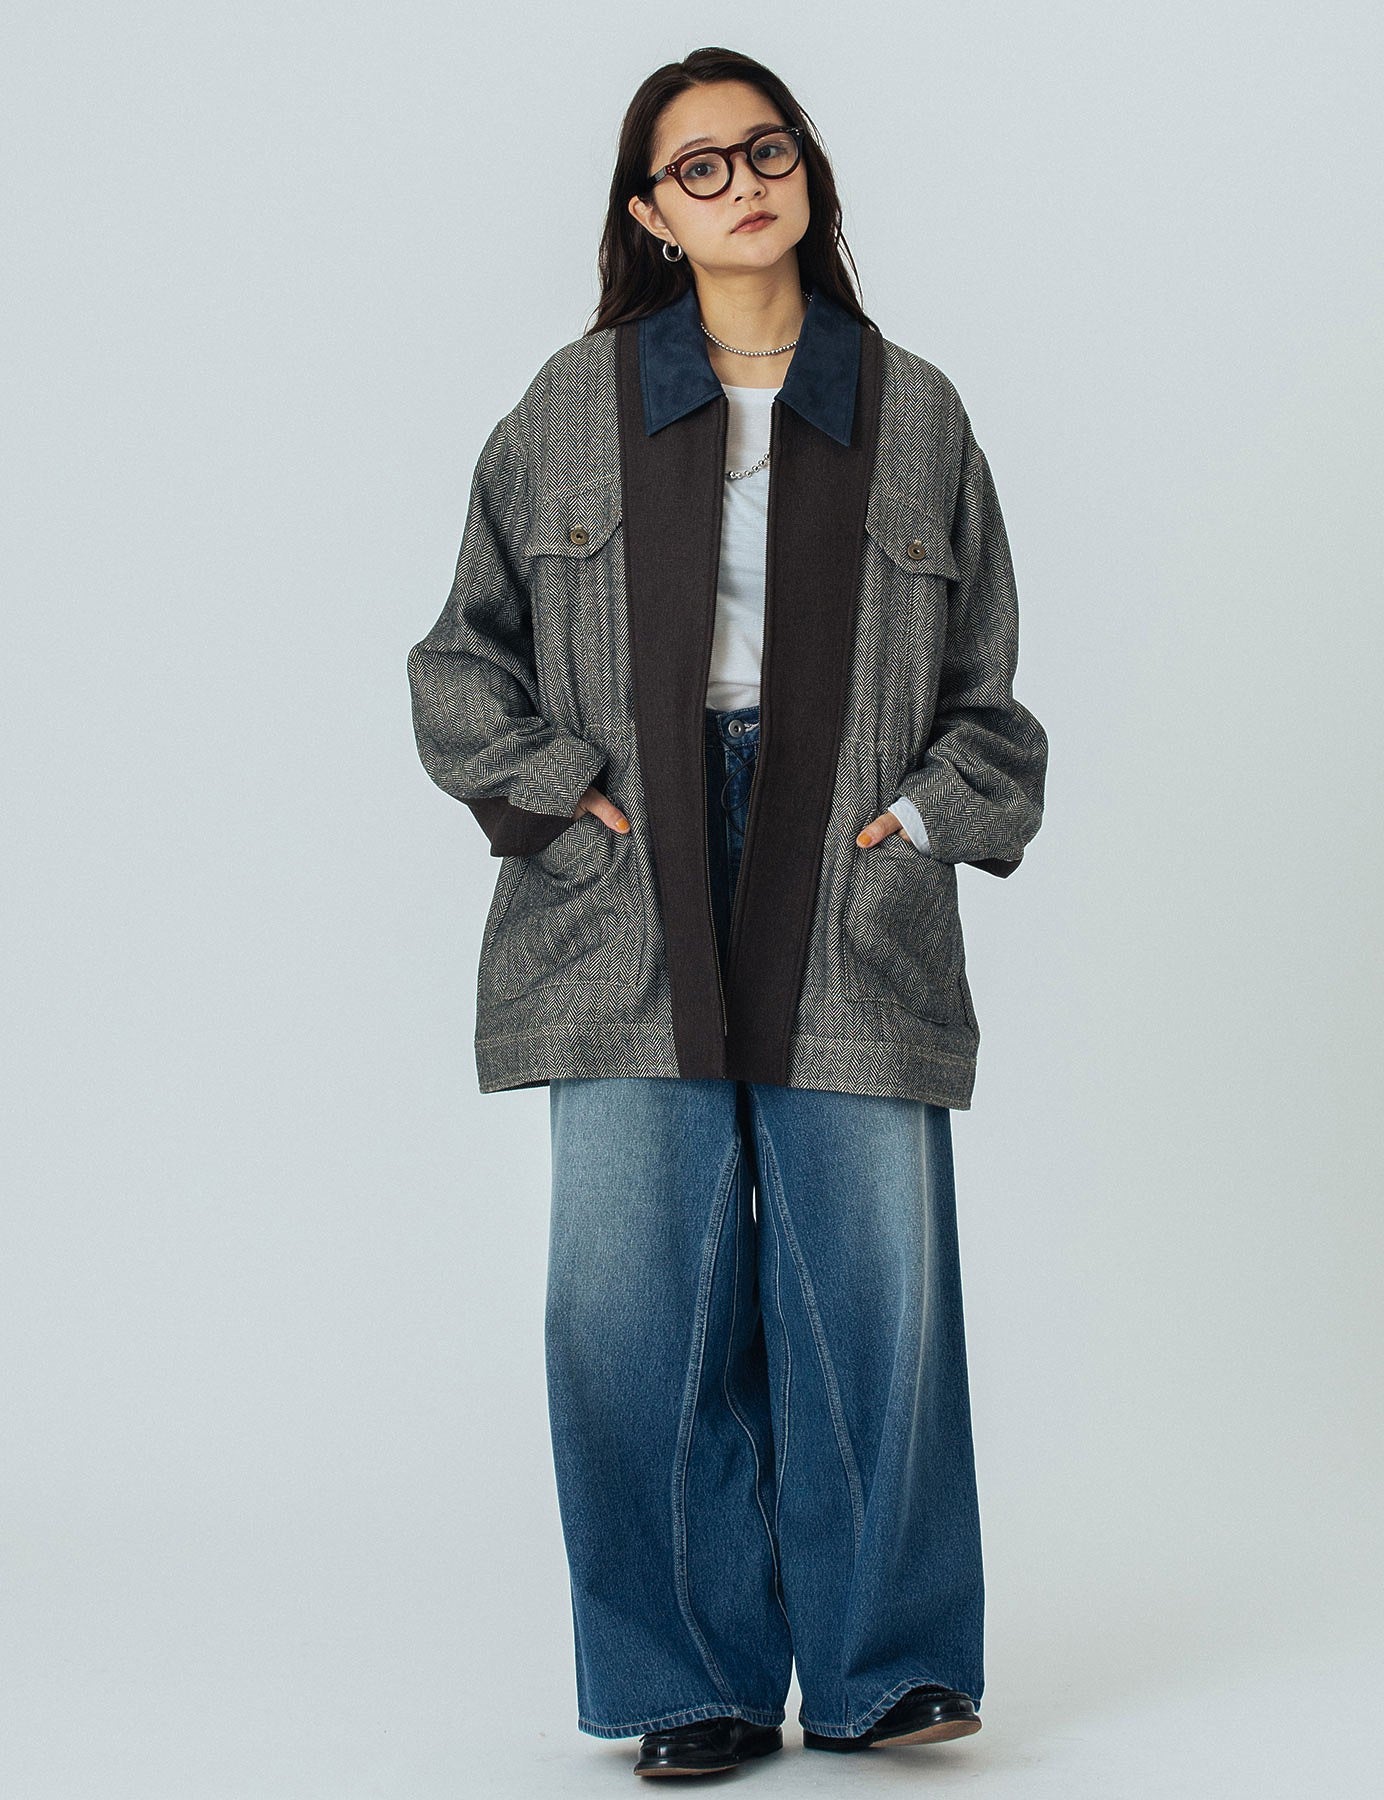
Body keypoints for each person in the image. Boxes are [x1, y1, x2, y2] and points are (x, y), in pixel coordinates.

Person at [407, 45, 1049, 1781]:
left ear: (807, 173)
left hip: (849, 858)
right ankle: (681, 1682)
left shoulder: (915, 411)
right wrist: (561, 792)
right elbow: (459, 658)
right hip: (631, 871)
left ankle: (887, 1667)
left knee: (872, 1289)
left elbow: (988, 695)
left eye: (766, 150)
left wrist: (922, 820)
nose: (742, 183)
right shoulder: (571, 407)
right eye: (698, 167)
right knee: (632, 1298)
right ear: (650, 214)